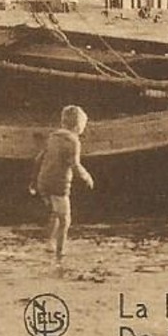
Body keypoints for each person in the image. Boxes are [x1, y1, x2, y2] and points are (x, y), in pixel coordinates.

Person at [29, 104, 96, 262]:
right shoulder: (73, 141)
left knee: (55, 212)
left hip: (43, 180)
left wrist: (33, 181)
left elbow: (38, 159)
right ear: (78, 126)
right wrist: (86, 177)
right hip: (59, 183)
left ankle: (49, 243)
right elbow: (75, 164)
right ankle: (60, 252)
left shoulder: (53, 136)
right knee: (66, 218)